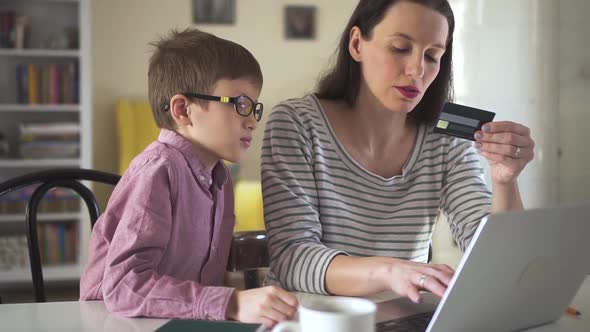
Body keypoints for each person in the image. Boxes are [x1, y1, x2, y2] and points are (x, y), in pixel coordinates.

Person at [261, 0, 535, 304]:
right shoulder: (297, 123)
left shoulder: (446, 140)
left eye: (432, 56)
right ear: (356, 44)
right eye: (400, 48)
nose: (417, 69)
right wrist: (390, 271)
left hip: (400, 318)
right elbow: (292, 259)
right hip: (310, 318)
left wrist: (505, 181)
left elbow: (498, 261)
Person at [80, 28, 297, 327]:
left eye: (254, 108)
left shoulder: (219, 180)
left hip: (176, 321)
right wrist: (231, 302)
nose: (252, 122)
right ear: (183, 109)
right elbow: (124, 288)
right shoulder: (157, 171)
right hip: (115, 321)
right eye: (240, 104)